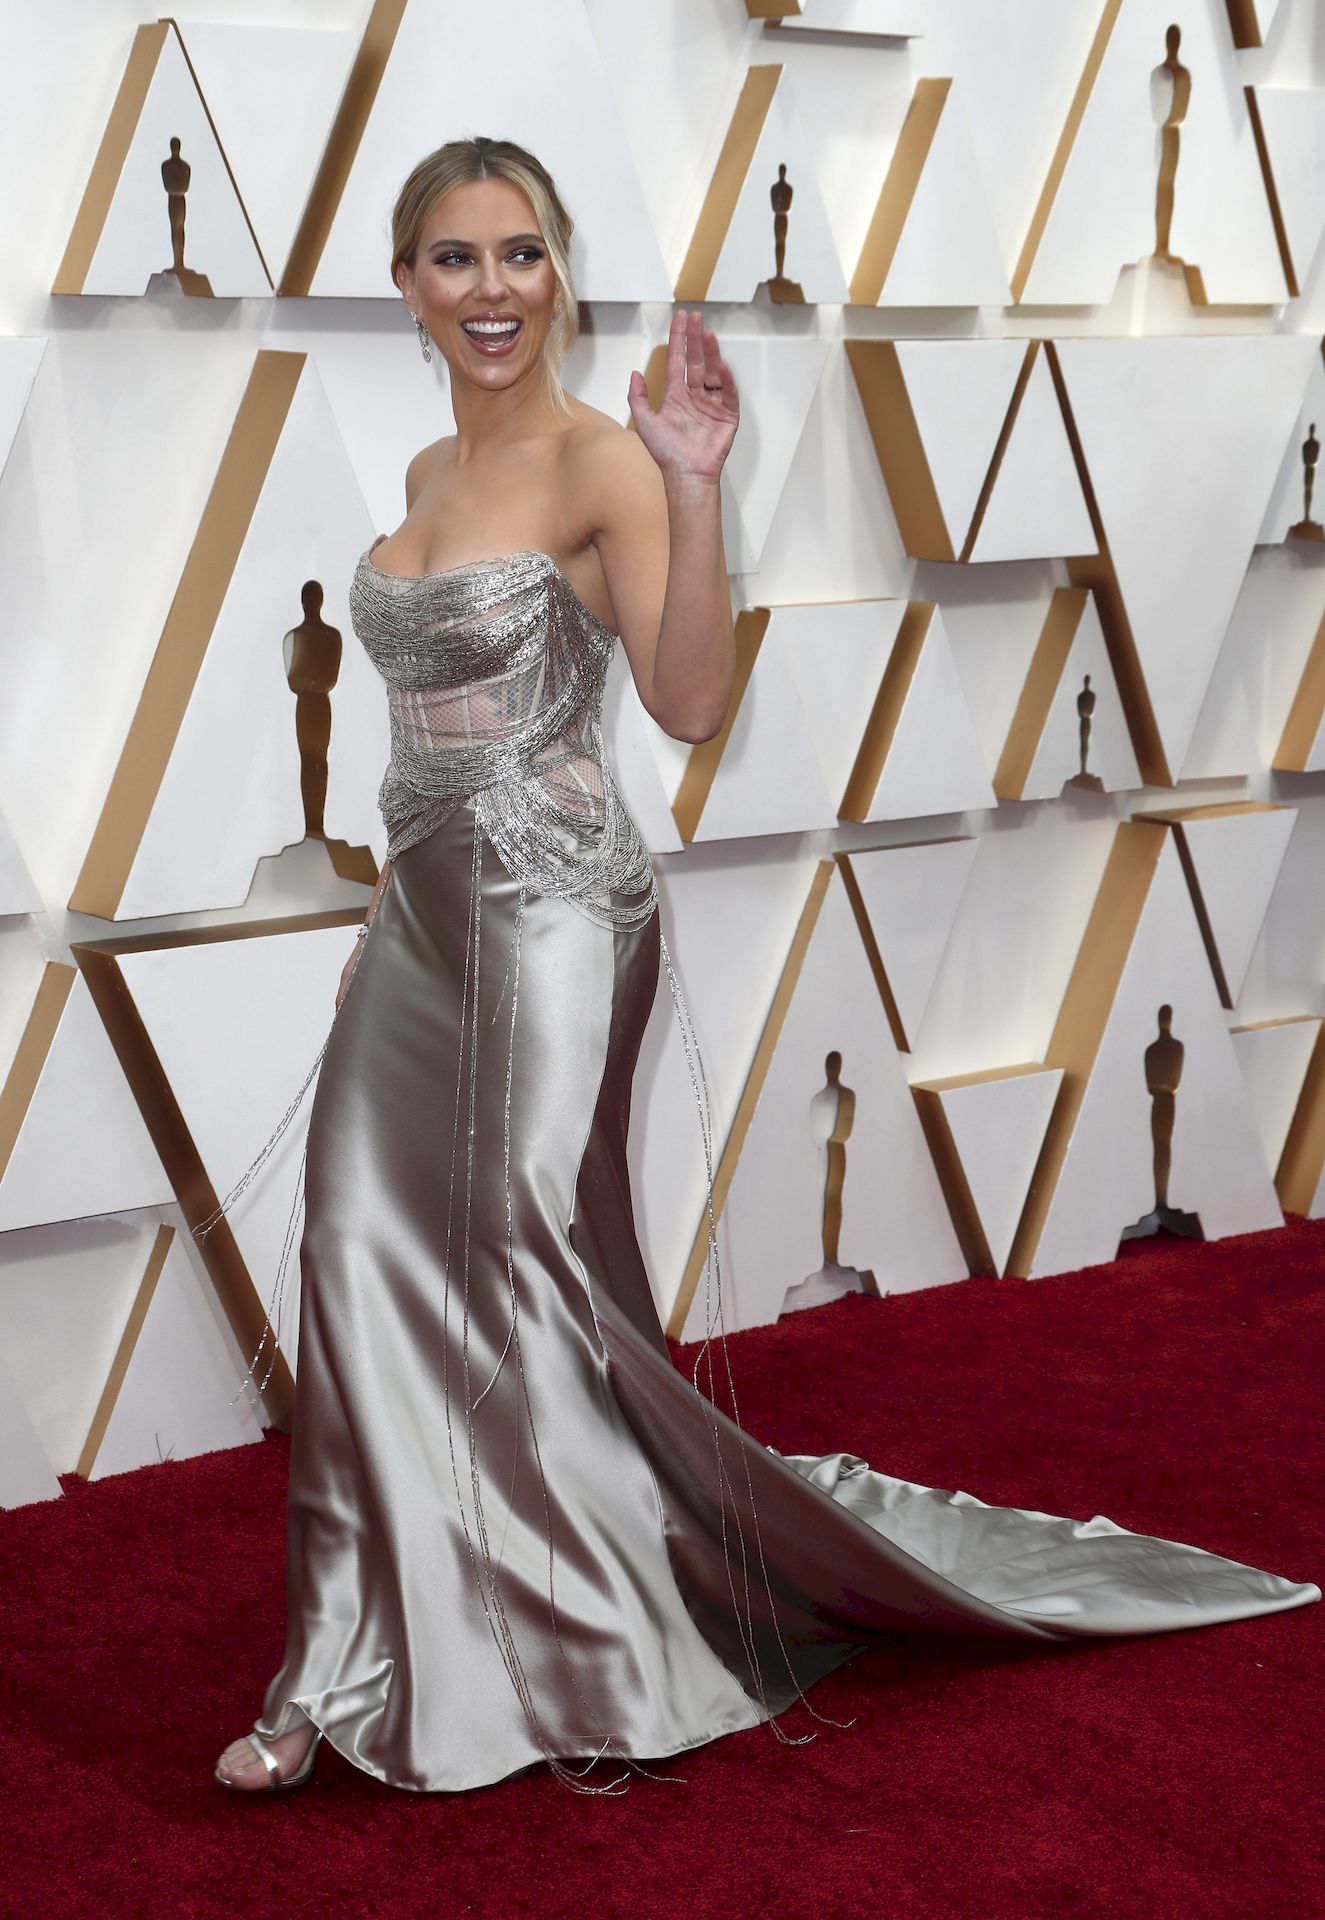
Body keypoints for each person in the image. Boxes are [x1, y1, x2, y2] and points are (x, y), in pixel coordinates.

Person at [213, 137, 1318, 1795]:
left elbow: (691, 702)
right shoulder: (431, 477)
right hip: (421, 919)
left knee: (518, 1259)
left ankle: (577, 1643)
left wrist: (694, 483)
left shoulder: (602, 461)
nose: (492, 289)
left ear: (560, 269)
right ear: (409, 287)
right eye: (456, 260)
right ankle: (345, 1652)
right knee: (355, 1243)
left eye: (521, 253)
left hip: (552, 913)